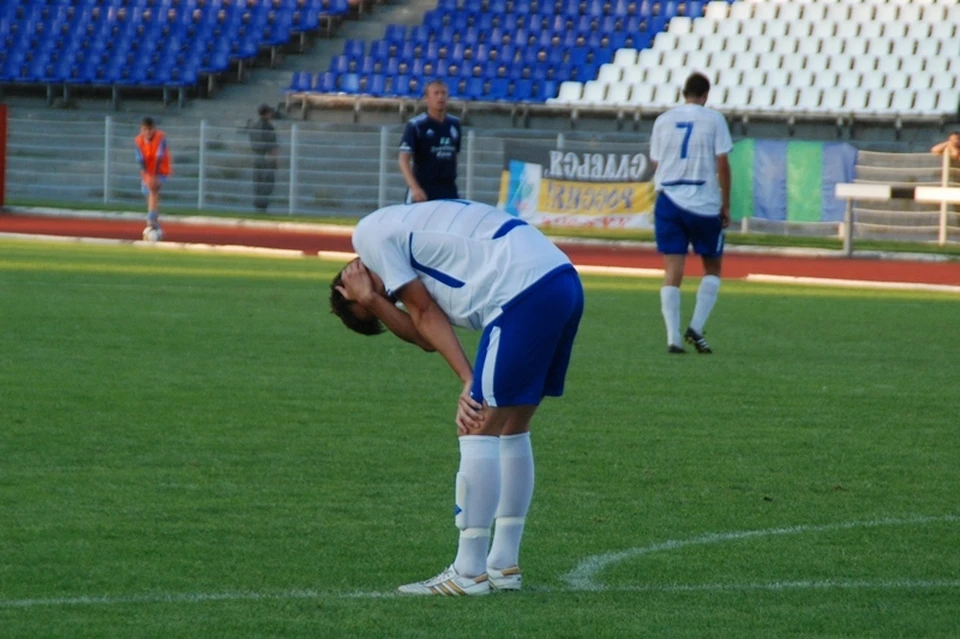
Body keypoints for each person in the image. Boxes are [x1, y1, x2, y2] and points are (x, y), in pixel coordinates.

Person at [329, 200, 584, 596]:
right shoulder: (398, 241)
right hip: (560, 279)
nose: (386, 302)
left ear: (354, 275)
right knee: (512, 427)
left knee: (476, 425)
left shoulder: (369, 236)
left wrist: (468, 379)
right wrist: (375, 301)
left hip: (519, 290)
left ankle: (468, 572)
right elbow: (424, 333)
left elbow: (423, 312)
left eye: (371, 303)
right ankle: (503, 564)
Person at [649, 72, 733, 354]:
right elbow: (722, 162)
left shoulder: (663, 120)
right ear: (706, 95)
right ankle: (695, 327)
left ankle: (672, 337)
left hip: (669, 199)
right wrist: (726, 203)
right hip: (704, 202)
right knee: (712, 267)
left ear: (683, 92)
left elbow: (657, 164)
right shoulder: (714, 119)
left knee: (673, 269)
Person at [398, 80, 462, 203]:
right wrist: (415, 188)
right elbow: (403, 160)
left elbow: (455, 155)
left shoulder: (454, 124)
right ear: (427, 98)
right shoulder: (417, 125)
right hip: (424, 188)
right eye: (436, 93)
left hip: (448, 189)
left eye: (443, 93)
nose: (440, 97)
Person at [135, 117, 171, 240]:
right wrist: (147, 175)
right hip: (147, 171)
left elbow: (159, 156)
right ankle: (155, 221)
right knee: (148, 193)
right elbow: (140, 159)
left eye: (150, 130)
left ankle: (151, 220)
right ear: (141, 130)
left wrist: (153, 175)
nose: (148, 133)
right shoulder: (139, 141)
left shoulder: (160, 138)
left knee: (153, 190)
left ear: (154, 129)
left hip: (160, 170)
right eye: (145, 130)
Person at [248, 104, 280, 212]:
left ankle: (258, 204)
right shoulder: (267, 126)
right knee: (268, 181)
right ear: (266, 113)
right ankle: (262, 204)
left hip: (257, 155)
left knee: (258, 181)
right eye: (269, 112)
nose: (271, 114)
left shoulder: (253, 125)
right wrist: (274, 156)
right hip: (266, 156)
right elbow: (270, 144)